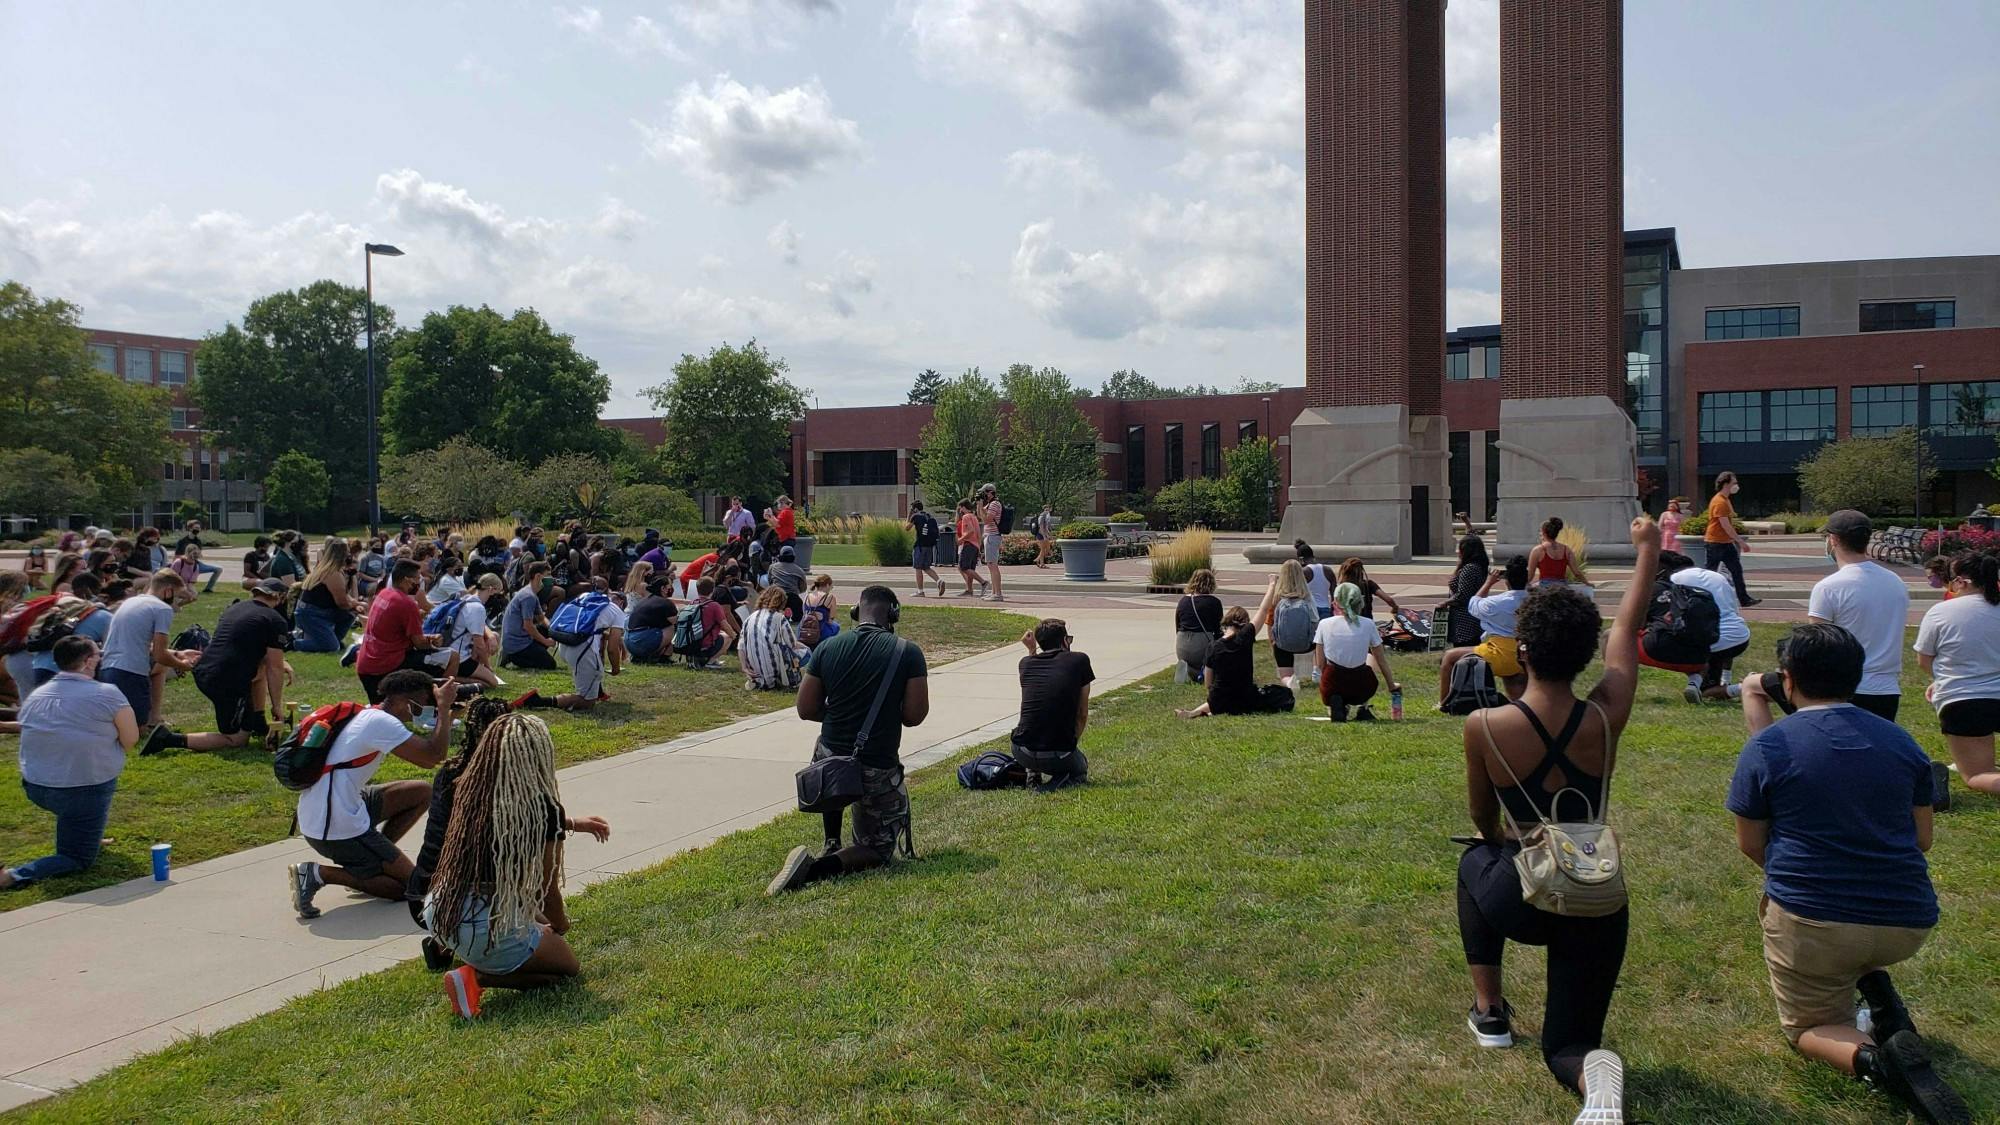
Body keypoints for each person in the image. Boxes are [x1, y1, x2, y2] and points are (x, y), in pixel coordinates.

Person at [1455, 517, 1659, 1119]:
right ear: (1584, 654)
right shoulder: (1603, 718)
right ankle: (1592, 1070)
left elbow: (1483, 818)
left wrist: (1501, 842)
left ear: (1523, 651)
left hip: (1524, 896)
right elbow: (1627, 625)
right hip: (1597, 896)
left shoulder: (1485, 726)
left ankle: (1489, 1011)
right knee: (1568, 1044)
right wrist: (1647, 550)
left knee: (1473, 857)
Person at [1726, 623, 1969, 1123]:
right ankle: (1876, 993)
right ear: (1856, 677)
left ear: (1787, 680)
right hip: (1908, 921)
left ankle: (1880, 1060)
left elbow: (1751, 844)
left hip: (1817, 923)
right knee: (1852, 947)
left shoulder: (1768, 746)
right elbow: (1923, 839)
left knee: (1808, 1028)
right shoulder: (1902, 743)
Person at [424, 712, 607, 1017]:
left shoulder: (471, 791)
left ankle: (472, 964)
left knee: (547, 971)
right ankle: (477, 976)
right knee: (569, 971)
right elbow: (547, 890)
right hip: (486, 924)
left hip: (442, 908)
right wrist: (559, 927)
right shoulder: (542, 807)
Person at [767, 585, 929, 895]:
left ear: (857, 612)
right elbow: (914, 715)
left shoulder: (828, 648)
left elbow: (806, 708)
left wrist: (842, 716)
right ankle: (816, 868)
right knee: (879, 850)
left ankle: (831, 840)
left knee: (834, 761)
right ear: (893, 614)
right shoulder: (907, 652)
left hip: (828, 763)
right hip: (876, 763)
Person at [288, 672, 458, 918]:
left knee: (421, 792)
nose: (421, 713)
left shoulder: (368, 713)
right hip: (335, 827)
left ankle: (371, 862)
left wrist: (445, 710)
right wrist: (444, 709)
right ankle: (317, 874)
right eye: (420, 706)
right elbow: (432, 757)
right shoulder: (381, 723)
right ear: (404, 702)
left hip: (328, 809)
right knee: (411, 888)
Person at [1742, 510, 1908, 732]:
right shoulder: (1895, 582)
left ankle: (1767, 752)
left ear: (1834, 539)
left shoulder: (1830, 587)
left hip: (1837, 689)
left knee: (1751, 686)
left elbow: (1816, 646)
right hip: (1886, 690)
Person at [0, 637, 139, 890]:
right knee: (77, 858)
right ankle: (13, 875)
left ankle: (89, 833)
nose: (100, 658)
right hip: (81, 790)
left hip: (36, 786)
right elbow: (130, 740)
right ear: (88, 662)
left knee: (77, 815)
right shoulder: (108, 694)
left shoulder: (36, 695)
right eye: (98, 655)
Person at [142, 579, 293, 756]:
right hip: (224, 681)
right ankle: (167, 739)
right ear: (280, 597)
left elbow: (254, 652)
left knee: (258, 672)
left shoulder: (237, 608)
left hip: (206, 669)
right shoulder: (275, 620)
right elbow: (274, 668)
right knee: (236, 739)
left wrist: (281, 663)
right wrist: (277, 707)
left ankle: (258, 721)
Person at [1913, 548, 2000, 797]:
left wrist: (1942, 679)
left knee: (1976, 775)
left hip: (1962, 702)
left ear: (1960, 581)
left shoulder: (1941, 612)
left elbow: (1924, 659)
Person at [96, 570, 197, 727]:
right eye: (177, 596)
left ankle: (152, 718)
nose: (176, 601)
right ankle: (150, 719)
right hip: (131, 674)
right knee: (138, 730)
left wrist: (178, 653)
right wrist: (183, 665)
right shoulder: (162, 609)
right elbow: (159, 655)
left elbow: (138, 642)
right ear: (168, 591)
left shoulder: (130, 602)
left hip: (106, 670)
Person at [1439, 555, 1532, 705]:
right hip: (1526, 656)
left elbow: (1473, 604)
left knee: (1449, 657)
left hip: (1498, 655)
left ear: (1506, 581)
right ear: (1527, 579)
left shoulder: (1496, 603)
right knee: (1514, 680)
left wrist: (1488, 582)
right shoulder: (1535, 599)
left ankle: (1444, 703)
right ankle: (1519, 705)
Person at [1661, 550, 1751, 704]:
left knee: (1680, 639)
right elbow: (1732, 613)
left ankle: (1749, 686)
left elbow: (1672, 615)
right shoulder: (1718, 577)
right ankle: (1732, 684)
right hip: (1740, 637)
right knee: (1713, 676)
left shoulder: (1675, 579)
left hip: (1708, 640)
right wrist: (1727, 674)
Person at [1011, 618, 1092, 785]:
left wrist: (1032, 649)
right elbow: (1082, 714)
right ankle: (1062, 780)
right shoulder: (1079, 661)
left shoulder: (1025, 664)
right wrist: (1069, 744)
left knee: (1037, 725)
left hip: (1022, 751)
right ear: (1064, 641)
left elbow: (1039, 695)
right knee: (1080, 767)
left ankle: (1032, 772)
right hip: (1058, 755)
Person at [1175, 606, 1290, 718]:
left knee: (1222, 699)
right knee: (1282, 695)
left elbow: (1208, 683)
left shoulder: (1213, 647)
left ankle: (1196, 712)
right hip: (1244, 699)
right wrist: (1272, 586)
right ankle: (1202, 713)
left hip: (1218, 700)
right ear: (1244, 623)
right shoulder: (1245, 639)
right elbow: (1263, 610)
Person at [1314, 582, 1401, 721]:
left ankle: (1336, 703)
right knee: (1368, 658)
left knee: (1332, 672)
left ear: (1336, 602)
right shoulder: (1368, 624)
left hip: (1333, 681)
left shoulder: (1324, 624)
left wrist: (1325, 681)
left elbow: (1320, 663)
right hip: (1360, 684)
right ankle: (1363, 706)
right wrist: (1391, 685)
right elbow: (1381, 660)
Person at [356, 560, 440, 704]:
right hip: (386, 666)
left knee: (382, 709)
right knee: (449, 657)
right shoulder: (407, 604)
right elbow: (420, 644)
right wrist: (433, 641)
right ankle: (433, 708)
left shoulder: (383, 594)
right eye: (417, 578)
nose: (419, 582)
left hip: (366, 665)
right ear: (407, 580)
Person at [28, 574, 111, 690]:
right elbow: (111, 651)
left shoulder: (63, 610)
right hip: (73, 674)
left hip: (40, 668)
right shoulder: (104, 616)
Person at [553, 586, 625, 710]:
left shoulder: (586, 597)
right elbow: (612, 649)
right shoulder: (618, 612)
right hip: (582, 649)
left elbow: (591, 625)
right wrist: (616, 668)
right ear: (622, 603)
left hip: (564, 643)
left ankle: (598, 691)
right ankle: (538, 701)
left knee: (595, 669)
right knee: (586, 702)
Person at [428, 573, 503, 689]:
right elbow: (479, 644)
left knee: (494, 636)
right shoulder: (477, 608)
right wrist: (488, 666)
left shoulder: (466, 599)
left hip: (449, 649)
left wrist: (491, 636)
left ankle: (452, 677)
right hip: (460, 657)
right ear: (491, 589)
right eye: (497, 593)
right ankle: (449, 679)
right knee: (492, 683)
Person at [1257, 559, 1319, 690]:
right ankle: (1316, 671)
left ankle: (1289, 680)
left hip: (1283, 646)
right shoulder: (1307, 596)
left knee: (1284, 673)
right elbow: (1315, 622)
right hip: (1306, 645)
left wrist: (1273, 645)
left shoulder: (1277, 598)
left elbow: (1270, 624)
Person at [1704, 471, 1760, 606]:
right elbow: (1725, 525)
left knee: (1736, 571)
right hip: (1715, 543)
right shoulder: (1719, 502)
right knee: (1710, 573)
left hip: (1725, 543)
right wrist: (1740, 541)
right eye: (1734, 483)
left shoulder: (1725, 500)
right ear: (1726, 483)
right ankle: (1703, 598)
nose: (1736, 486)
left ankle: (1744, 599)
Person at [294, 537, 358, 653]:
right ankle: (293, 642)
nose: (349, 555)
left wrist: (357, 604)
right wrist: (354, 605)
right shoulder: (332, 573)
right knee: (331, 648)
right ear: (341, 554)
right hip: (311, 614)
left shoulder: (328, 569)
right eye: (347, 552)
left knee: (350, 613)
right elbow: (342, 603)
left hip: (316, 611)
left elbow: (344, 596)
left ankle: (333, 639)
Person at [740, 585, 806, 691]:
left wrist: (744, 667)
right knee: (805, 653)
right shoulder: (779, 618)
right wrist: (807, 648)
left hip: (755, 671)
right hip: (774, 670)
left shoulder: (749, 618)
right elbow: (793, 644)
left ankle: (759, 680)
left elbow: (741, 646)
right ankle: (794, 679)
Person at [499, 563, 560, 670]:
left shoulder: (531, 593)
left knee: (546, 630)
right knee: (550, 665)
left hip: (522, 638)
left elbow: (541, 618)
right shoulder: (528, 597)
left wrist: (554, 631)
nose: (551, 578)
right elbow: (528, 626)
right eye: (548, 575)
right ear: (538, 576)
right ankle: (512, 658)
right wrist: (546, 642)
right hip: (517, 645)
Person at [1440, 534, 1491, 648]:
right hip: (1474, 617)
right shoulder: (1480, 566)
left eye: (1461, 549)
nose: (1458, 551)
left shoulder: (1469, 568)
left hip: (1464, 619)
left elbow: (1463, 595)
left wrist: (1445, 603)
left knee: (1463, 649)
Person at [1174, 569, 1224, 684]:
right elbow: (1218, 630)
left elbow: (1177, 625)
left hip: (1182, 644)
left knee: (1193, 662)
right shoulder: (1214, 602)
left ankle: (1189, 669)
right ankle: (1201, 673)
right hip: (1201, 644)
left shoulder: (1183, 601)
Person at [676, 577, 733, 669]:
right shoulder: (714, 605)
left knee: (721, 634)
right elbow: (725, 625)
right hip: (704, 644)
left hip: (691, 642)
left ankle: (703, 659)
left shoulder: (693, 603)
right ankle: (710, 661)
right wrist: (734, 635)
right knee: (728, 637)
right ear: (712, 590)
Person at [623, 573, 678, 664]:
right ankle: (664, 657)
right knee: (670, 627)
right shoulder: (665, 603)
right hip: (641, 642)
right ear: (663, 588)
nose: (671, 589)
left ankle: (643, 656)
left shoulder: (644, 600)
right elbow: (675, 621)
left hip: (628, 642)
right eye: (669, 587)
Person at [1335, 557, 1402, 621]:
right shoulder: (1368, 584)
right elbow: (1388, 599)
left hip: (1346, 620)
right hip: (1366, 619)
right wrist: (1395, 607)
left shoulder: (1342, 586)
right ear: (1361, 570)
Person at [908, 500, 946, 597]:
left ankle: (920, 591)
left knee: (918, 568)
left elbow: (907, 528)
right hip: (929, 545)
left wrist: (909, 515)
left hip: (919, 546)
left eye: (912, 508)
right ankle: (939, 581)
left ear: (915, 508)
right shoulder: (929, 516)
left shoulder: (915, 516)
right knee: (926, 567)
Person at [1528, 518, 1580, 587]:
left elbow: (1530, 576)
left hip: (1544, 588)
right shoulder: (1566, 549)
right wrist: (1587, 583)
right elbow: (1577, 573)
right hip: (1562, 587)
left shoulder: (1537, 550)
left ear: (1543, 532)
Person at [952, 500, 989, 597]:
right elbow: (978, 533)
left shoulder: (966, 517)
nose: (960, 510)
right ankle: (969, 590)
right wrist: (979, 547)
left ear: (963, 507)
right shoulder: (974, 517)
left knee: (963, 567)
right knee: (970, 568)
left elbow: (970, 531)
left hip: (968, 544)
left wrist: (961, 539)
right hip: (975, 545)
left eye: (960, 507)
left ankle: (983, 582)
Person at [174, 520, 222, 593]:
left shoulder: (198, 541)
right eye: (196, 528)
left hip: (196, 565)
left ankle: (208, 589)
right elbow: (176, 557)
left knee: (218, 569)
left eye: (199, 528)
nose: (198, 530)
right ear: (190, 528)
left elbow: (199, 554)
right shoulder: (182, 541)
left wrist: (198, 555)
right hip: (185, 565)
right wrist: (187, 557)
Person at [979, 484, 1007, 603]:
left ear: (990, 492)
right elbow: (981, 517)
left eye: (984, 493)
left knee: (993, 565)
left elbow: (986, 520)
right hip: (989, 536)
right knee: (991, 565)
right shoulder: (990, 504)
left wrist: (981, 507)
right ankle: (994, 592)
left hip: (992, 536)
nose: (983, 495)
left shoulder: (995, 504)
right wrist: (979, 505)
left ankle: (998, 593)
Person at [1294, 541, 1334, 620]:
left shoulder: (1304, 571)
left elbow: (1297, 593)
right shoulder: (1328, 570)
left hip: (1309, 610)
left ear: (1301, 559)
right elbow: (1334, 594)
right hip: (1326, 609)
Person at [1030, 503, 1055, 568]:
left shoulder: (1046, 515)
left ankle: (1039, 561)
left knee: (1045, 549)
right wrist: (1044, 535)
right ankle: (1040, 562)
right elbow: (1041, 526)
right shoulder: (1042, 516)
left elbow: (1046, 527)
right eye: (1048, 509)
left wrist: (1049, 534)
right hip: (1040, 535)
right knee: (1043, 549)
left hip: (1043, 534)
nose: (1049, 510)